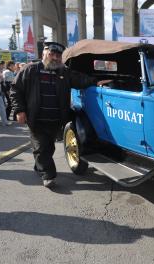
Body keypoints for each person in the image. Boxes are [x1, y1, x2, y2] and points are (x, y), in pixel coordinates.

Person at [10, 42, 111, 188]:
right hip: (36, 119)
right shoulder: (31, 69)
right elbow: (15, 90)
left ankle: (39, 165)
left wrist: (96, 82)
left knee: (48, 148)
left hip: (56, 120)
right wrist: (20, 110)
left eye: (58, 56)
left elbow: (80, 79)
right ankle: (48, 175)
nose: (55, 58)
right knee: (41, 147)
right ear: (44, 54)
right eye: (52, 54)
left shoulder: (64, 72)